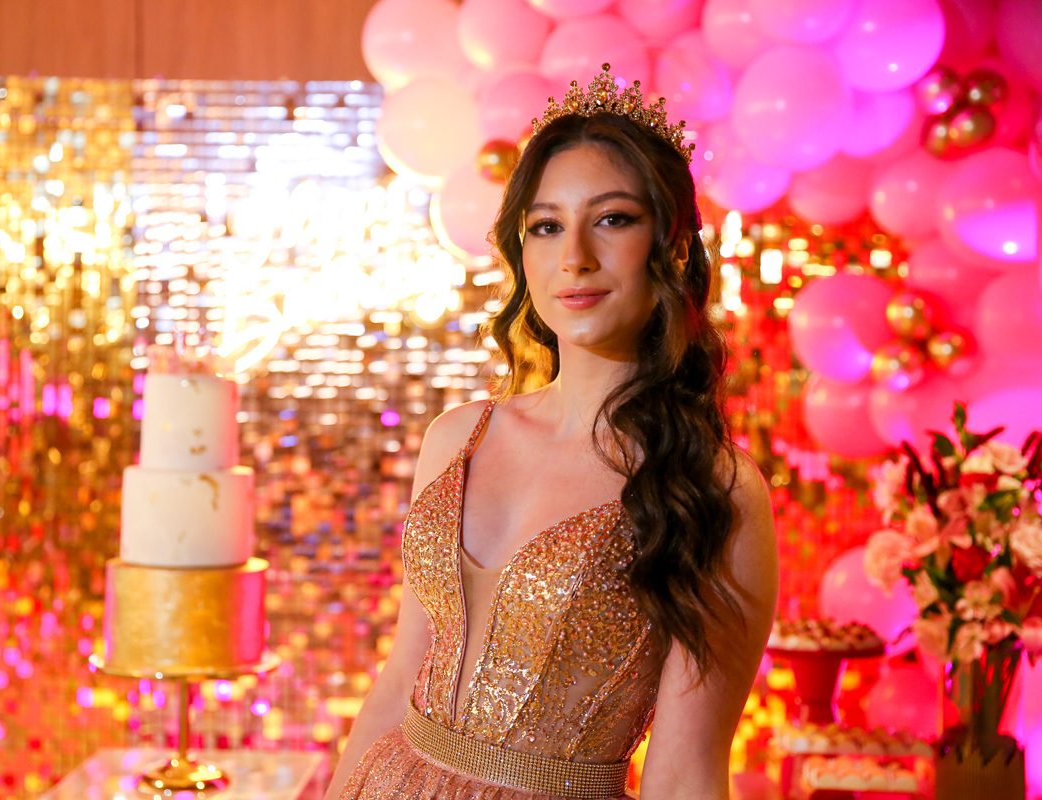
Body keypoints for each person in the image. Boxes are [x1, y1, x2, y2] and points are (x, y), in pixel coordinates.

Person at [325, 65, 779, 800]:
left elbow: (685, 774)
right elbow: (401, 673)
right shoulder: (456, 438)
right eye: (546, 226)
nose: (575, 257)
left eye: (612, 219)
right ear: (521, 251)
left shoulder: (709, 487)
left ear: (673, 247)